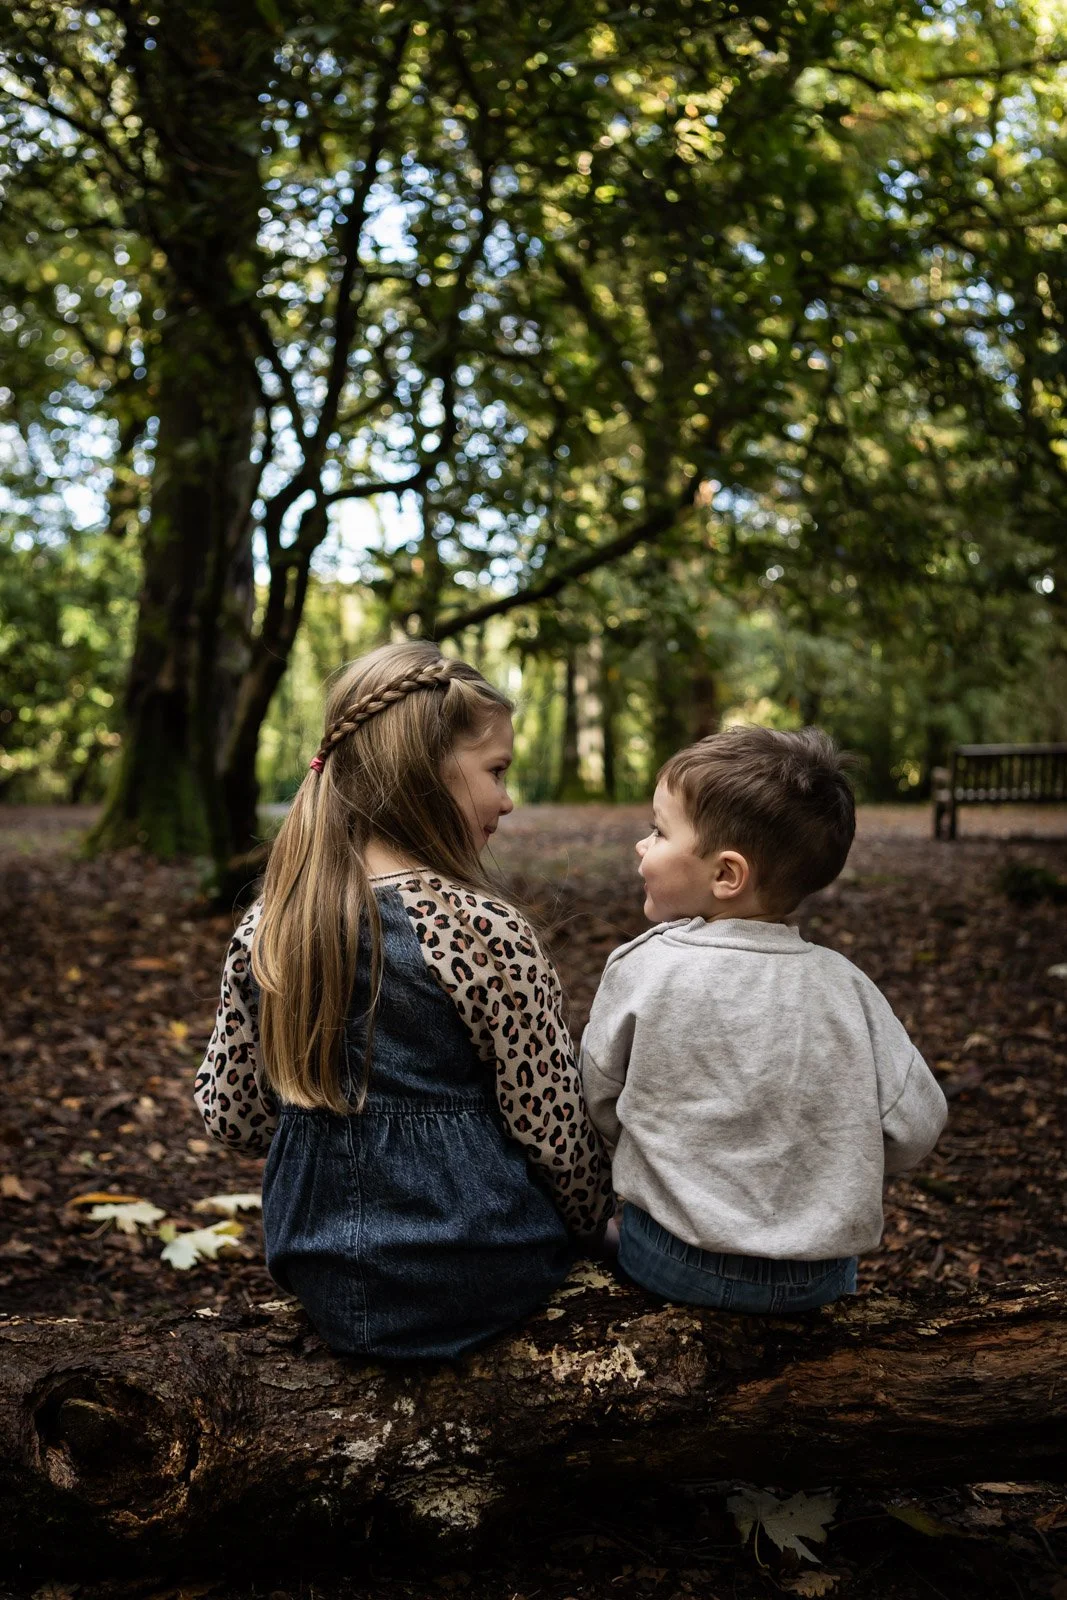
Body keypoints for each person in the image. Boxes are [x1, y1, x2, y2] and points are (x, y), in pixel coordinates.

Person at [195, 641, 612, 1358]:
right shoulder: (482, 930)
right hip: (489, 1265)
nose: (507, 801)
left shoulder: (270, 926)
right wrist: (602, 1224)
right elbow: (553, 1133)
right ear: (425, 771)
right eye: (497, 772)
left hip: (321, 1273)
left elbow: (231, 1117)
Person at [580, 725, 947, 1315]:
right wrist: (832, 1163)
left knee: (606, 1233)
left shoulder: (644, 967)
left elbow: (598, 1099)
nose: (641, 847)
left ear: (727, 875)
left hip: (676, 1262)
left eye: (658, 832)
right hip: (816, 1278)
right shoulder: (848, 987)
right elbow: (918, 1125)